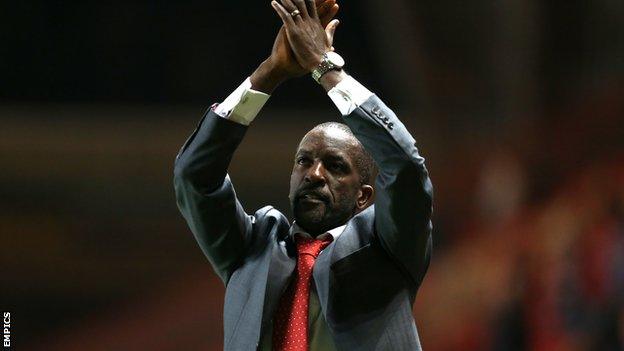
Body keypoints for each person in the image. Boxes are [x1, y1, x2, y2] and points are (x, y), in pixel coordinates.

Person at [173, 0, 433, 349]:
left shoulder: (390, 246)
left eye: (336, 166)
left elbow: (405, 168)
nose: (314, 173)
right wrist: (270, 73)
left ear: (364, 195)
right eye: (304, 161)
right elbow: (194, 176)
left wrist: (324, 68)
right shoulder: (250, 248)